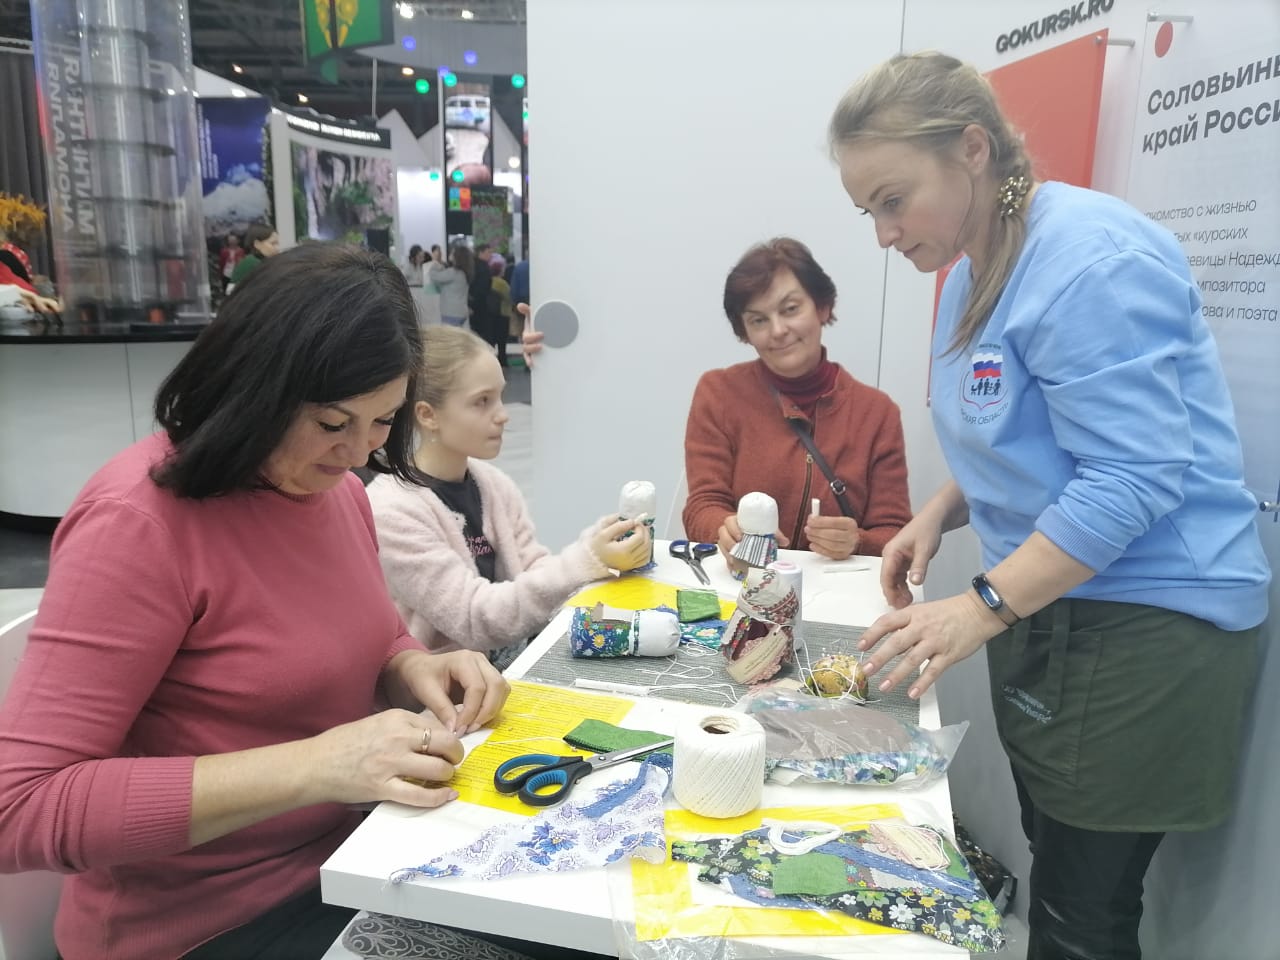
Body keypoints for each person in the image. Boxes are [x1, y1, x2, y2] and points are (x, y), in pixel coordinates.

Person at [831, 52, 1269, 960]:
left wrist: (982, 604)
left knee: (1080, 915)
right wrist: (940, 512)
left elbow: (1132, 477)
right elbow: (1030, 432)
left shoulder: (1088, 261)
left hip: (1146, 617)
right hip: (1056, 603)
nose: (883, 234)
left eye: (893, 200)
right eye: (868, 210)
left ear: (973, 149)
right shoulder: (969, 268)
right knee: (1060, 870)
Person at [0, 244, 524, 960]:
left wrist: (411, 667)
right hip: (200, 925)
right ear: (252, 388)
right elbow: (20, 808)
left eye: (382, 422)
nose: (358, 454)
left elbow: (365, 637)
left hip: (351, 859)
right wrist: (315, 766)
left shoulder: (337, 494)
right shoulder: (138, 524)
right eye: (333, 423)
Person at [367, 325, 651, 671]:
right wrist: (586, 559)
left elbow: (534, 570)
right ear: (428, 415)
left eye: (499, 397)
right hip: (446, 689)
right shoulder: (392, 510)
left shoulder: (494, 485)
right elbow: (473, 619)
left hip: (508, 662)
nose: (502, 415)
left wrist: (599, 543)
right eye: (482, 402)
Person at [682, 237, 912, 563]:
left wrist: (857, 542)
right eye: (758, 320)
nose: (778, 330)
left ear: (822, 307)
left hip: (835, 589)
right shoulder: (718, 393)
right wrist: (724, 529)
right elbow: (702, 504)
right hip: (743, 579)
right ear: (744, 332)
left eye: (790, 309)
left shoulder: (877, 413)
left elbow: (895, 532)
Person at [428, 244, 472, 327]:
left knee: (449, 335)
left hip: (451, 312)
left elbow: (434, 276)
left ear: (457, 256)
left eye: (452, 253)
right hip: (461, 311)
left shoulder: (453, 272)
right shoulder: (464, 272)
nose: (450, 254)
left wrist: (434, 262)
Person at [226, 222, 279, 289]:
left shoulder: (259, 261)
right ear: (257, 244)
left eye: (277, 243)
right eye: (273, 243)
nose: (277, 248)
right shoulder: (252, 263)